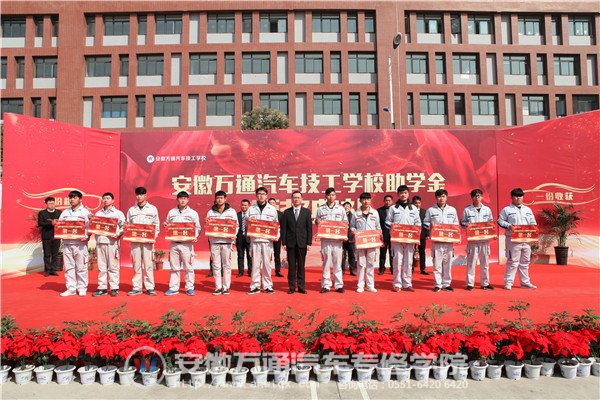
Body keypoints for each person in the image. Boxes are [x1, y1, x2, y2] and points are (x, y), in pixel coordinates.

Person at [497, 188, 538, 290]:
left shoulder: (527, 210)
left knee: (525, 262)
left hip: (526, 240)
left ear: (523, 197)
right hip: (513, 240)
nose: (518, 198)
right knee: (513, 262)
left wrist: (534, 234)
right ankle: (508, 283)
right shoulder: (507, 210)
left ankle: (525, 283)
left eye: (520, 196)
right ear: (512, 197)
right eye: (516, 196)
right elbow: (500, 221)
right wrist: (509, 226)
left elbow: (533, 223)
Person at [164, 191, 201, 296]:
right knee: (174, 267)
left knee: (188, 267)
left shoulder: (193, 213)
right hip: (174, 244)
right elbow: (167, 224)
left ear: (188, 200)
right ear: (177, 199)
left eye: (185, 198)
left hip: (187, 244)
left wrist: (195, 236)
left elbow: (198, 227)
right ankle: (173, 288)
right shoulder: (171, 212)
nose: (183, 200)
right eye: (181, 198)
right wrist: (166, 225)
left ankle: (189, 288)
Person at [385, 185, 421, 292]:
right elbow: (387, 222)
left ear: (408, 194)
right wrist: (392, 227)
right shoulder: (393, 208)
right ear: (398, 194)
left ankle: (407, 283)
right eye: (401, 193)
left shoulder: (413, 208)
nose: (403, 195)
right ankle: (397, 284)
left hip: (410, 239)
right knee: (397, 261)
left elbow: (418, 223)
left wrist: (416, 233)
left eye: (405, 193)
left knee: (408, 261)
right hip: (397, 239)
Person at [423, 189, 459, 292]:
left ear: (446, 197)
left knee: (447, 263)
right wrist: (431, 226)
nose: (441, 198)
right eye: (439, 197)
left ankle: (446, 284)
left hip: (448, 241)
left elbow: (456, 224)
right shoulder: (431, 210)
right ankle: (438, 284)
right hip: (437, 241)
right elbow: (425, 223)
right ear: (436, 198)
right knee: (437, 264)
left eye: (443, 196)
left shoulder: (452, 210)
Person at [126, 187, 160, 296]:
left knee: (148, 264)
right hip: (135, 242)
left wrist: (153, 237)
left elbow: (156, 225)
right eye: (137, 195)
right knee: (136, 264)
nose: (139, 197)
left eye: (141, 195)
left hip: (148, 242)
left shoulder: (152, 209)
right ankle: (137, 287)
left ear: (145, 195)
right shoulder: (131, 210)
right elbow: (128, 224)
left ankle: (150, 287)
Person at [460, 189, 495, 291]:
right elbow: (462, 222)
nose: (477, 197)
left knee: (485, 263)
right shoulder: (467, 210)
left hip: (484, 240)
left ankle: (485, 283)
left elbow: (491, 222)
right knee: (471, 263)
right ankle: (470, 283)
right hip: (473, 240)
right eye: (475, 196)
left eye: (479, 195)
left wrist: (492, 232)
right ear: (472, 198)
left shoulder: (487, 210)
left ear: (482, 197)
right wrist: (466, 224)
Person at [58, 190, 91, 296]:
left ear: (80, 199)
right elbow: (60, 226)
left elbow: (90, 227)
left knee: (81, 267)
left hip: (80, 244)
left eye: (74, 197)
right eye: (70, 197)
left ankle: (82, 288)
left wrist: (86, 236)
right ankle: (71, 288)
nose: (72, 199)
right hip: (67, 244)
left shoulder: (85, 212)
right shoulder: (65, 212)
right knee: (69, 268)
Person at [316, 187, 348, 294]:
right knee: (326, 263)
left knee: (337, 263)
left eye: (333, 195)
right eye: (329, 195)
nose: (331, 197)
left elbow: (345, 223)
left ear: (335, 196)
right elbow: (317, 221)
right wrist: (318, 222)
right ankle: (326, 285)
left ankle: (339, 285)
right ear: (325, 196)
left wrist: (343, 235)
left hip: (337, 240)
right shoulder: (321, 209)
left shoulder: (340, 209)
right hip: (326, 240)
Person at [92, 192, 125, 297]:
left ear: (112, 200)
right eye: (104, 198)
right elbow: (94, 226)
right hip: (100, 242)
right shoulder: (98, 213)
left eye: (108, 198)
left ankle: (114, 288)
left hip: (112, 243)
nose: (106, 200)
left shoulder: (118, 213)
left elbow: (124, 226)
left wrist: (118, 234)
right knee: (101, 267)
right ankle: (102, 288)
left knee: (113, 266)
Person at [247, 187, 279, 294]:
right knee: (255, 265)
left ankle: (267, 286)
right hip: (255, 241)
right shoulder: (251, 209)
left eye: (263, 194)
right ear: (256, 195)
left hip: (267, 241)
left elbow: (276, 225)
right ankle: (254, 286)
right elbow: (245, 223)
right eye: (259, 194)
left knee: (267, 265)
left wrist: (276, 236)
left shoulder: (272, 209)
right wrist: (248, 220)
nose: (261, 196)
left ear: (266, 195)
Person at [281, 191, 312, 294]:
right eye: (294, 197)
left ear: (301, 199)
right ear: (292, 199)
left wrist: (309, 243)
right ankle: (292, 287)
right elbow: (284, 228)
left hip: (302, 242)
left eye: (298, 197)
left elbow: (309, 228)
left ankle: (301, 287)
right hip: (290, 243)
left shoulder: (306, 212)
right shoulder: (287, 212)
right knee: (291, 266)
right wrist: (284, 242)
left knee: (301, 266)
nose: (296, 199)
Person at [206, 190, 237, 295]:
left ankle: (226, 287)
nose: (219, 200)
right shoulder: (211, 212)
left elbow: (236, 226)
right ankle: (218, 287)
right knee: (216, 265)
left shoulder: (231, 212)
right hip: (214, 242)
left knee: (227, 265)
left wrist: (233, 234)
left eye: (221, 198)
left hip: (227, 242)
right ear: (215, 199)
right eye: (217, 198)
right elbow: (208, 226)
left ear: (225, 199)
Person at [350, 192, 382, 293]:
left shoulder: (375, 213)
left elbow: (378, 227)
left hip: (371, 242)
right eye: (364, 199)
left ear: (370, 200)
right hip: (361, 242)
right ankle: (360, 285)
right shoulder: (356, 213)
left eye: (368, 199)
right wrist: (354, 231)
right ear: (360, 201)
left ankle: (370, 285)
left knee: (370, 263)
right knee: (361, 263)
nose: (366, 201)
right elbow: (352, 226)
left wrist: (379, 233)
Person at [38, 197, 62, 277]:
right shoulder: (42, 213)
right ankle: (47, 270)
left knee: (55, 254)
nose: (51, 205)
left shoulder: (59, 212)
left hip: (56, 236)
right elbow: (40, 223)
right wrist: (50, 223)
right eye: (49, 203)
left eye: (53, 203)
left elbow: (63, 222)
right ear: (46, 204)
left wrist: (58, 222)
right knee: (47, 254)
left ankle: (53, 270)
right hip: (46, 236)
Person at [412, 196, 429, 275]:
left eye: (419, 203)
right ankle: (411, 268)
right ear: (413, 203)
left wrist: (427, 234)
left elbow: (426, 223)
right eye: (415, 203)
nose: (417, 204)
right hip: (411, 235)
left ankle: (423, 268)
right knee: (411, 252)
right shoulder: (409, 211)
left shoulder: (424, 212)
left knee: (422, 252)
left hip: (422, 235)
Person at [377, 195, 394, 275]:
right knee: (382, 253)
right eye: (386, 200)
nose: (388, 202)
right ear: (384, 201)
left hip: (393, 235)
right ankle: (381, 269)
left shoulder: (395, 210)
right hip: (383, 235)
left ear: (392, 201)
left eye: (389, 200)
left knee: (392, 253)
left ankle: (393, 268)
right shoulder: (379, 211)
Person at [268, 198, 285, 277]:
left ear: (275, 204)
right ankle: (267, 270)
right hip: (268, 236)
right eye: (270, 203)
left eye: (273, 203)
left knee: (277, 254)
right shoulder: (265, 213)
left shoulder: (280, 214)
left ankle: (278, 270)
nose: (272, 204)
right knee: (267, 254)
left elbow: (283, 226)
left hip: (277, 237)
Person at [236, 199, 252, 277]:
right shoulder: (237, 215)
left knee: (250, 256)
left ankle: (250, 271)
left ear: (249, 206)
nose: (244, 207)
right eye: (242, 205)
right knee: (240, 255)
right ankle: (240, 272)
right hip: (239, 238)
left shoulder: (252, 216)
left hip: (249, 238)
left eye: (245, 205)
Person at [341, 202, 356, 276]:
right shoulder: (340, 215)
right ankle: (342, 270)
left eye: (348, 206)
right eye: (345, 206)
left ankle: (352, 270)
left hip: (351, 239)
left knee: (352, 255)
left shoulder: (353, 216)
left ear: (350, 208)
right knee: (342, 256)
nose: (346, 207)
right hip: (342, 239)